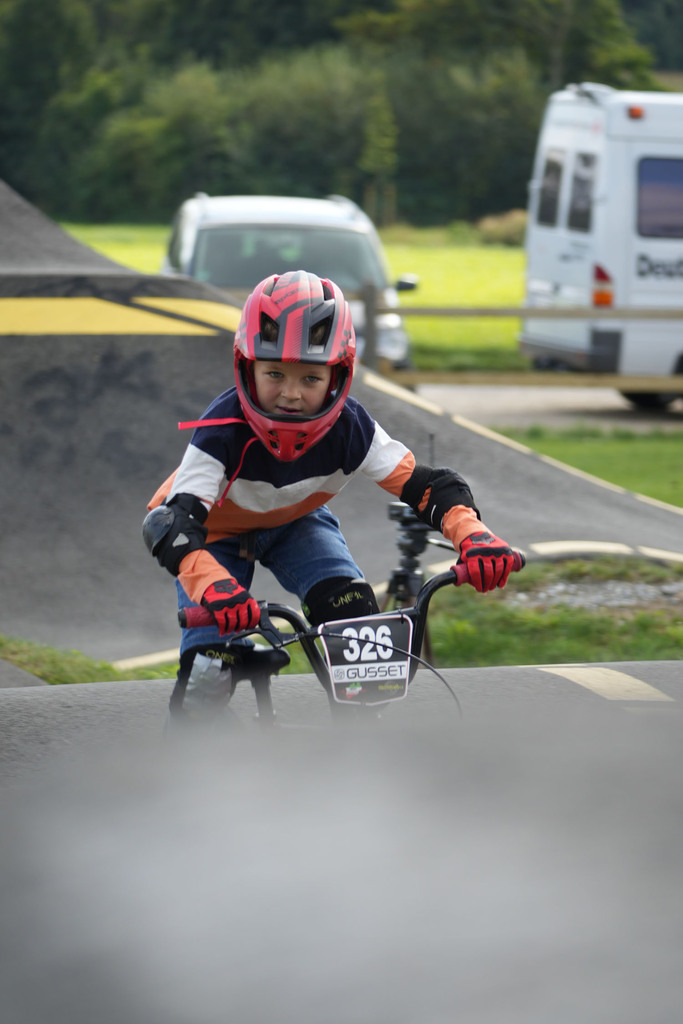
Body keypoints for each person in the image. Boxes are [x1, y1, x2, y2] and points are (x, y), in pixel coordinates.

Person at [143, 270, 515, 719]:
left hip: (294, 524)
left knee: (359, 628)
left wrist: (473, 536)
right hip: (212, 538)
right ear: (246, 366)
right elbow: (171, 527)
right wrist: (213, 586)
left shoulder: (350, 428)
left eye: (310, 378)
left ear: (337, 376)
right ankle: (189, 749)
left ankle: (359, 743)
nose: (291, 394)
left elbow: (427, 486)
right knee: (207, 675)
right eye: (274, 373)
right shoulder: (222, 429)